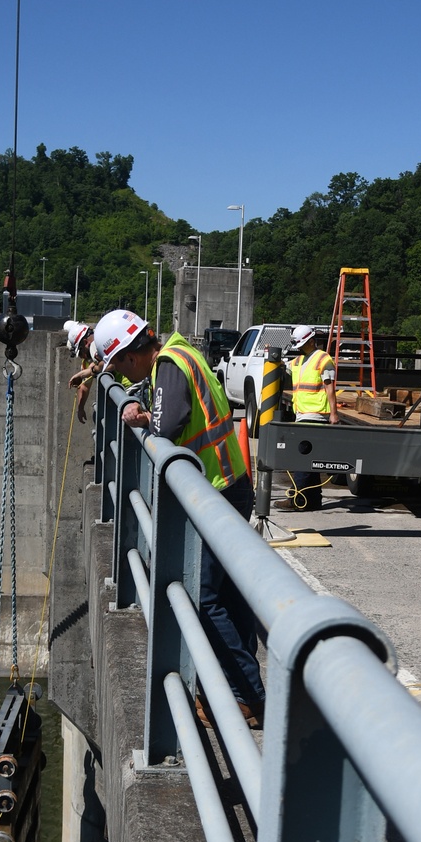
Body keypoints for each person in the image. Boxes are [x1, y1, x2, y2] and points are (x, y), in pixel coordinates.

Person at [92, 308, 265, 726]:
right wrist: (145, 410)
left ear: (131, 357)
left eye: (118, 365)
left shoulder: (168, 364)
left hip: (216, 489)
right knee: (228, 595)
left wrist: (146, 424)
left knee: (204, 598)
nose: (122, 375)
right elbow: (174, 409)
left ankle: (249, 699)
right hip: (229, 482)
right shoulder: (180, 349)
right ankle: (247, 688)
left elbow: (170, 423)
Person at [274, 324, 339, 513]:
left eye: (302, 344)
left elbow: (330, 388)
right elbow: (285, 368)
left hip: (316, 414)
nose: (300, 347)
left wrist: (334, 414)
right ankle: (313, 500)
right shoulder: (299, 361)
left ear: (312, 340)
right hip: (302, 413)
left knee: (301, 457)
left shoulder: (323, 359)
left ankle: (297, 498)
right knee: (309, 459)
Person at [64, 319, 98, 422]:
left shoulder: (99, 345)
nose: (81, 356)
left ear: (85, 343)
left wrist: (82, 374)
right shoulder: (87, 360)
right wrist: (80, 408)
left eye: (81, 351)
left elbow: (104, 365)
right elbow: (84, 387)